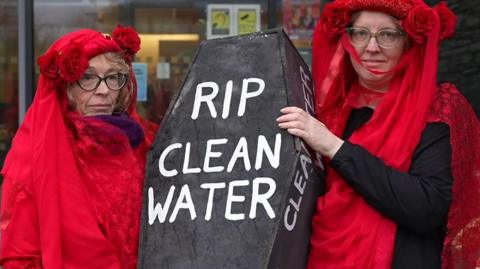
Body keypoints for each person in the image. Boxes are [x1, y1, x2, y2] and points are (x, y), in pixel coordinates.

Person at [277, 0, 480, 268]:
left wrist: (336, 149)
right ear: (347, 39)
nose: (372, 47)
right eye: (361, 33)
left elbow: (426, 207)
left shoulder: (435, 110)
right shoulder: (329, 110)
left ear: (407, 42)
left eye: (387, 34)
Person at [0, 26, 158, 268]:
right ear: (65, 88)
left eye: (113, 77)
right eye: (87, 78)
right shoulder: (34, 158)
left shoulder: (143, 145)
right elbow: (20, 258)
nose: (104, 90)